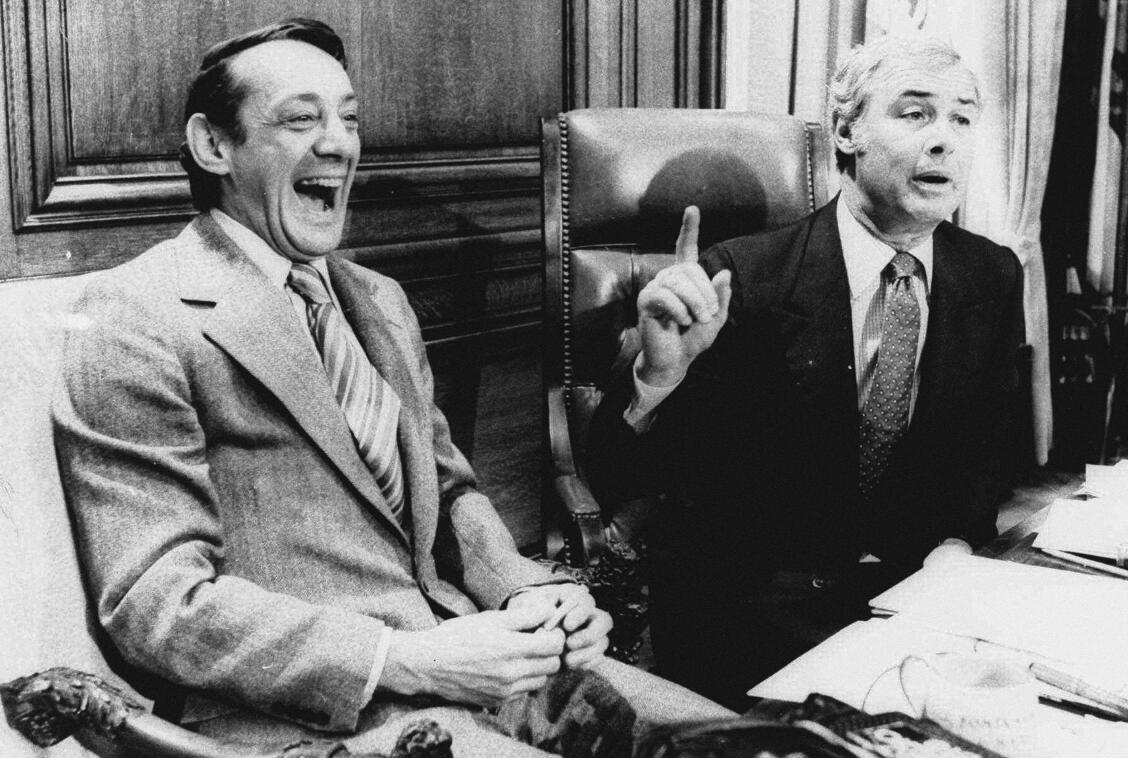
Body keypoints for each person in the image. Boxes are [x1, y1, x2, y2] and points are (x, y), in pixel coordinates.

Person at [51, 18, 731, 757]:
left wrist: (526, 593)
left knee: (750, 744)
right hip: (315, 721)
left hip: (475, 665)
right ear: (215, 145)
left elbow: (451, 492)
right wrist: (400, 659)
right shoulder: (136, 315)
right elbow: (157, 603)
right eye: (301, 119)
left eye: (348, 118)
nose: (340, 144)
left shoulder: (378, 300)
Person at [588, 33, 1026, 710]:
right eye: (915, 114)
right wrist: (657, 375)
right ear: (848, 132)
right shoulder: (742, 277)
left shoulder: (993, 274)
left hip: (921, 601)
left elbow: (992, 450)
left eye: (962, 117)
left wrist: (955, 548)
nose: (946, 140)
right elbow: (619, 478)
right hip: (757, 616)